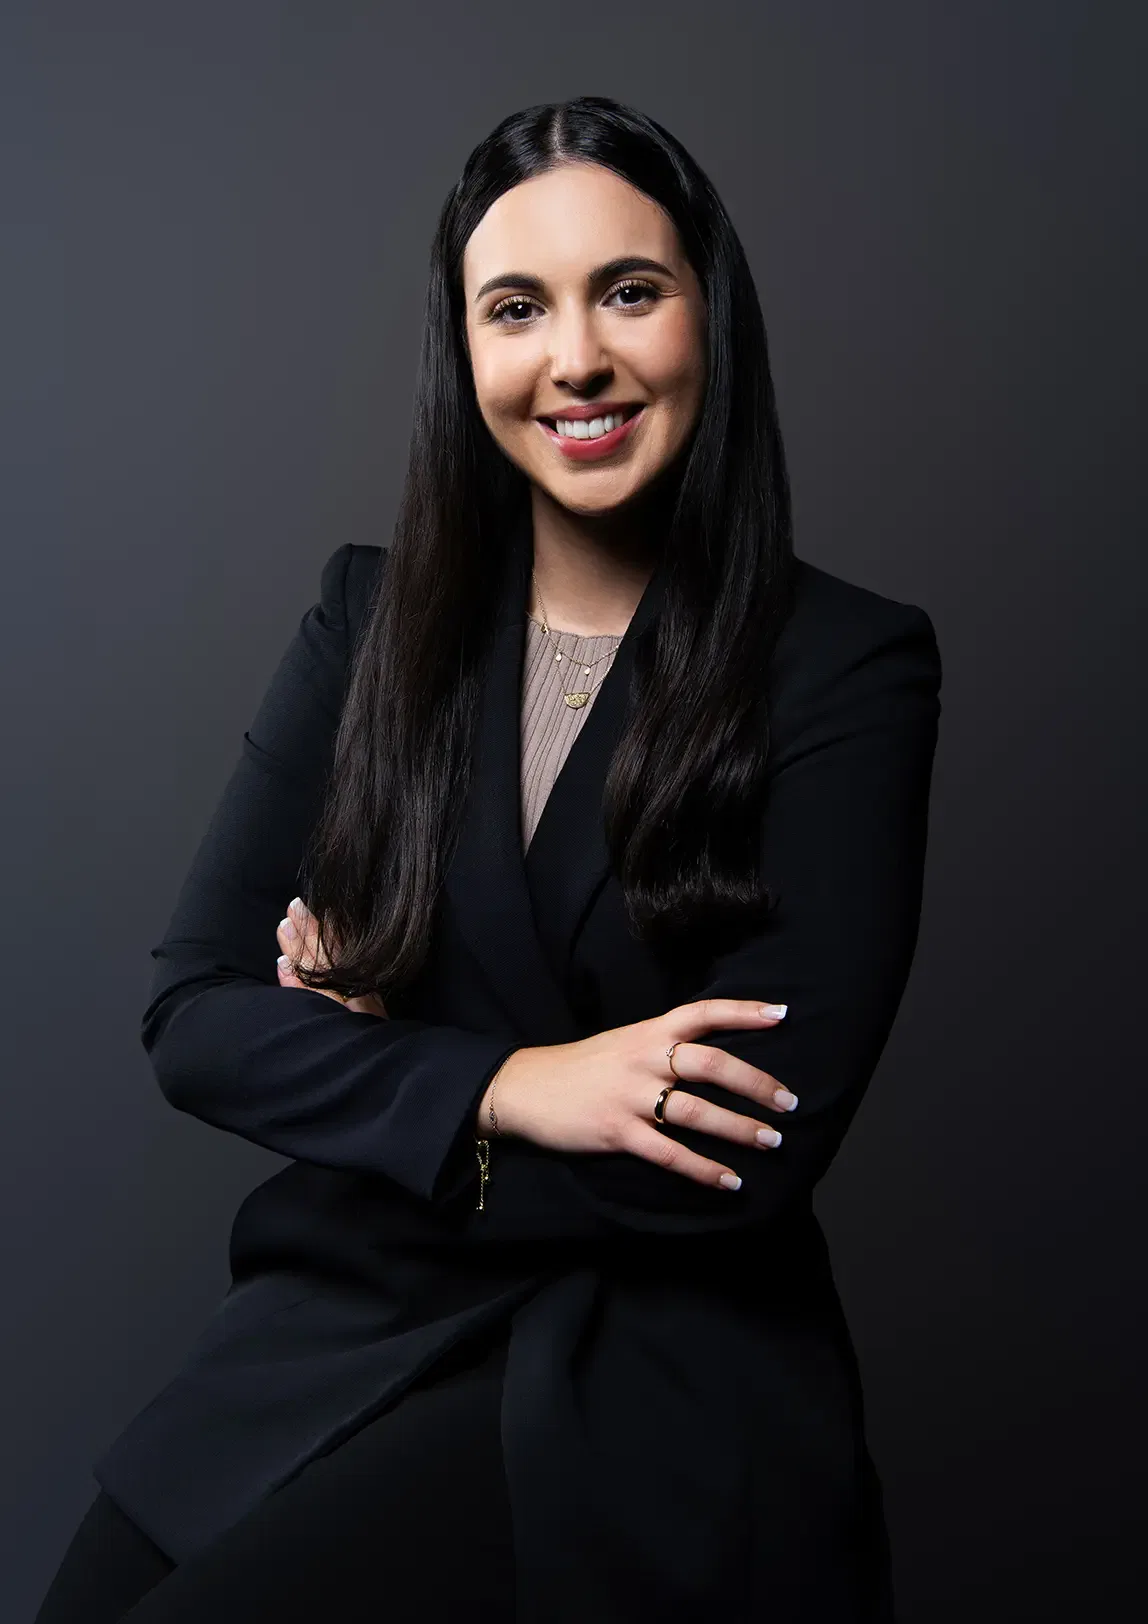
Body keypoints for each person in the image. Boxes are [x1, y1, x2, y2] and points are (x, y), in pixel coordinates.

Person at [34, 94, 942, 1623]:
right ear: (464, 356)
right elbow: (194, 1020)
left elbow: (735, 1161)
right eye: (516, 308)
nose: (575, 355)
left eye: (629, 292)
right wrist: (518, 1084)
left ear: (709, 318)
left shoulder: (847, 668)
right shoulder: (368, 627)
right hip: (338, 1327)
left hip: (646, 1380)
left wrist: (376, 1083)